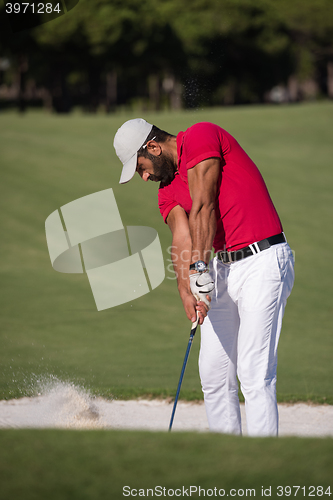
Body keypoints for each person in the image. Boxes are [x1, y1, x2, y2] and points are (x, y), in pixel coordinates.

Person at [113, 118, 295, 437]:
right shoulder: (166, 190)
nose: (144, 177)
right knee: (213, 375)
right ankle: (227, 458)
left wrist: (199, 267)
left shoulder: (201, 135)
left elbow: (204, 204)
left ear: (153, 147)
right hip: (222, 270)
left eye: (141, 167)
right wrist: (187, 291)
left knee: (254, 372)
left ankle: (263, 462)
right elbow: (182, 238)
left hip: (262, 261)